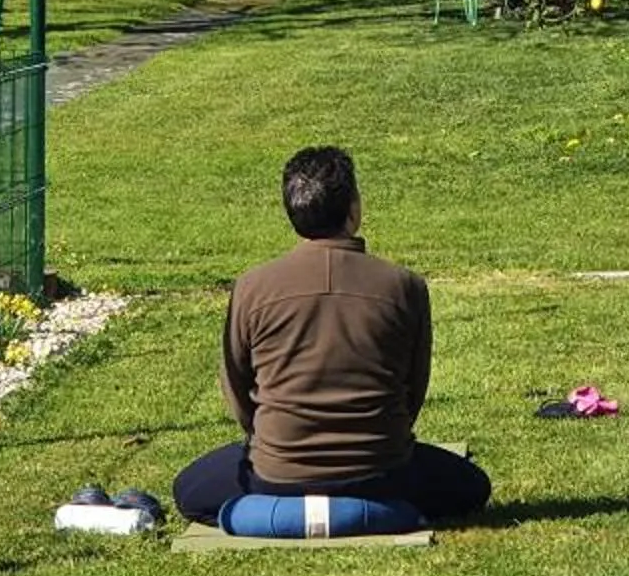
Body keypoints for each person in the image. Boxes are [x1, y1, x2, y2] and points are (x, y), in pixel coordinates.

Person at [172, 147, 491, 526]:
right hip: (382, 471)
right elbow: (413, 386)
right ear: (353, 209)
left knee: (190, 491)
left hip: (276, 472)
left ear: (291, 211)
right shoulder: (404, 286)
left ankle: (286, 515)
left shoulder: (252, 287)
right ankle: (369, 512)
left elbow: (237, 387)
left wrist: (268, 442)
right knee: (470, 486)